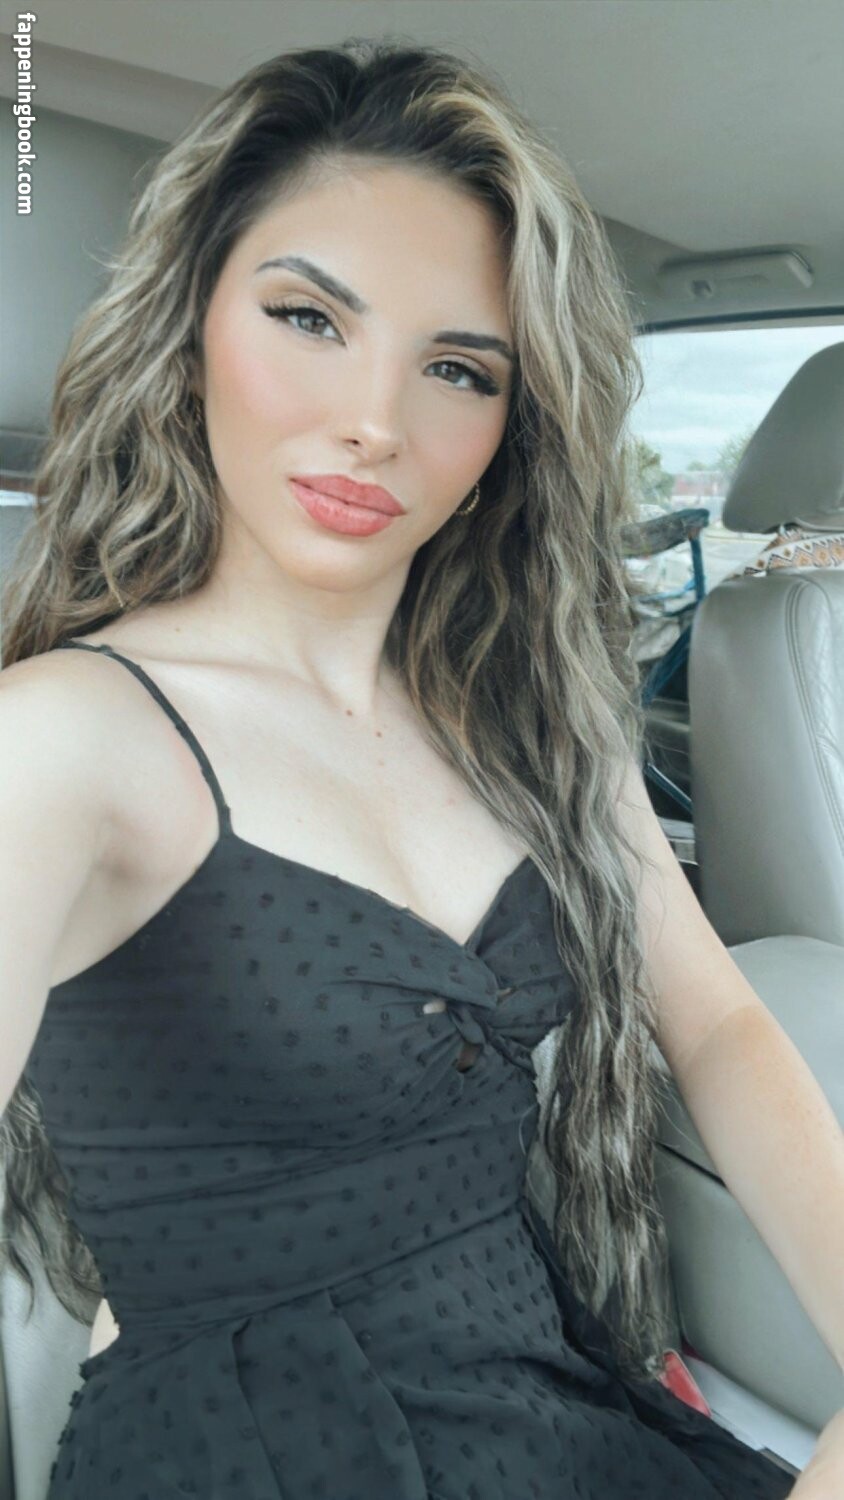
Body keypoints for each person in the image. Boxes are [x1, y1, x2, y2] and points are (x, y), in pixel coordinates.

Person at [1, 38, 840, 1500]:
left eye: (457, 367)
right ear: (190, 327)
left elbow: (715, 1027)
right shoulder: (66, 736)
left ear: (511, 427)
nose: (376, 421)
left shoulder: (532, 718)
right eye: (308, 318)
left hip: (560, 1407)